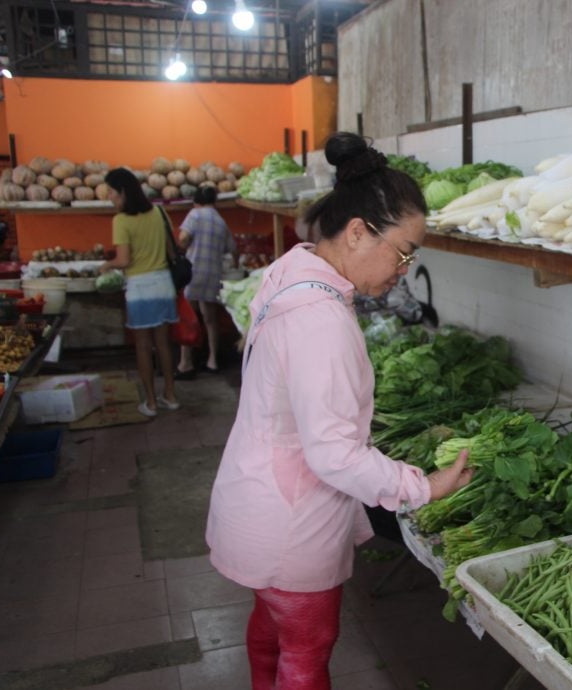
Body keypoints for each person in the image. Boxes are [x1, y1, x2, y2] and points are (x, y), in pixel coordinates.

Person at [205, 132, 473, 690]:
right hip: (289, 519)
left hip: (258, 494)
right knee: (306, 650)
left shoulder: (293, 271)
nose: (404, 268)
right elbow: (332, 453)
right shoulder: (320, 319)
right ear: (356, 232)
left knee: (270, 629)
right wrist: (422, 485)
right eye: (403, 252)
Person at [99, 168, 180, 418]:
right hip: (164, 284)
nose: (109, 197)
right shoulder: (158, 212)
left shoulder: (121, 221)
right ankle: (171, 395)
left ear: (122, 191)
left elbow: (124, 260)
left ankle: (151, 402)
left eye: (111, 192)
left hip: (140, 288)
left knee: (143, 347)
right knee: (164, 344)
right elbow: (171, 249)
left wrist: (107, 265)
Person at [175, 185, 236, 377]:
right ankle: (213, 361)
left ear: (196, 201)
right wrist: (234, 265)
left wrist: (180, 251)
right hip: (213, 273)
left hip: (193, 271)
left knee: (188, 316)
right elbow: (233, 249)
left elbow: (184, 239)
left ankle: (186, 363)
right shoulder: (221, 221)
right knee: (210, 318)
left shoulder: (195, 214)